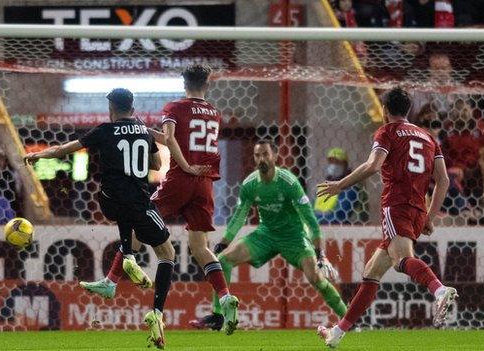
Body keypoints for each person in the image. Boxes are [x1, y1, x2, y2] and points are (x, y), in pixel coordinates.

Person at [79, 65, 240, 336]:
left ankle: (112, 280)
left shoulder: (174, 107)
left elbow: (169, 140)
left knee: (139, 221)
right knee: (201, 248)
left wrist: (181, 162)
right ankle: (225, 297)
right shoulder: (214, 113)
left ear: (184, 83)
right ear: (207, 83)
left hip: (181, 179)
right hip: (205, 183)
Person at [24, 88, 176, 349]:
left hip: (109, 201)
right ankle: (156, 310)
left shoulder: (104, 130)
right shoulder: (142, 131)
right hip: (140, 203)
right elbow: (155, 166)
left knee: (122, 201)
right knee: (167, 254)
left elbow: (66, 149)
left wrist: (39, 154)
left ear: (111, 108)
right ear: (132, 107)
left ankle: (118, 270)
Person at [316, 87, 456, 348]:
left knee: (402, 259)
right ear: (408, 110)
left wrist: (340, 184)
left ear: (384, 110)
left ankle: (439, 290)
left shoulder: (387, 132)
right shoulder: (428, 137)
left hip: (396, 205)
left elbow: (373, 165)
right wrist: (429, 217)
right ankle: (337, 333)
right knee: (372, 272)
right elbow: (443, 180)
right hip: (416, 210)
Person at [189, 140, 347, 331]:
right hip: (266, 234)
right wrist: (224, 242)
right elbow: (240, 215)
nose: (261, 158)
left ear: (275, 156)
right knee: (222, 260)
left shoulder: (288, 182)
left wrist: (319, 251)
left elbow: (309, 219)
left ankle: (347, 318)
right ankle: (218, 316)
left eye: (265, 154)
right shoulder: (250, 184)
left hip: (294, 237)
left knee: (316, 278)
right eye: (257, 155)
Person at [314, 147, 361, 224]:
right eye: (331, 162)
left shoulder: (350, 188)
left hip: (341, 230)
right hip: (320, 229)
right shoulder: (323, 186)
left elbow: (340, 215)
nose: (334, 165)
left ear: (345, 165)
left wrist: (314, 221)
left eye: (337, 162)